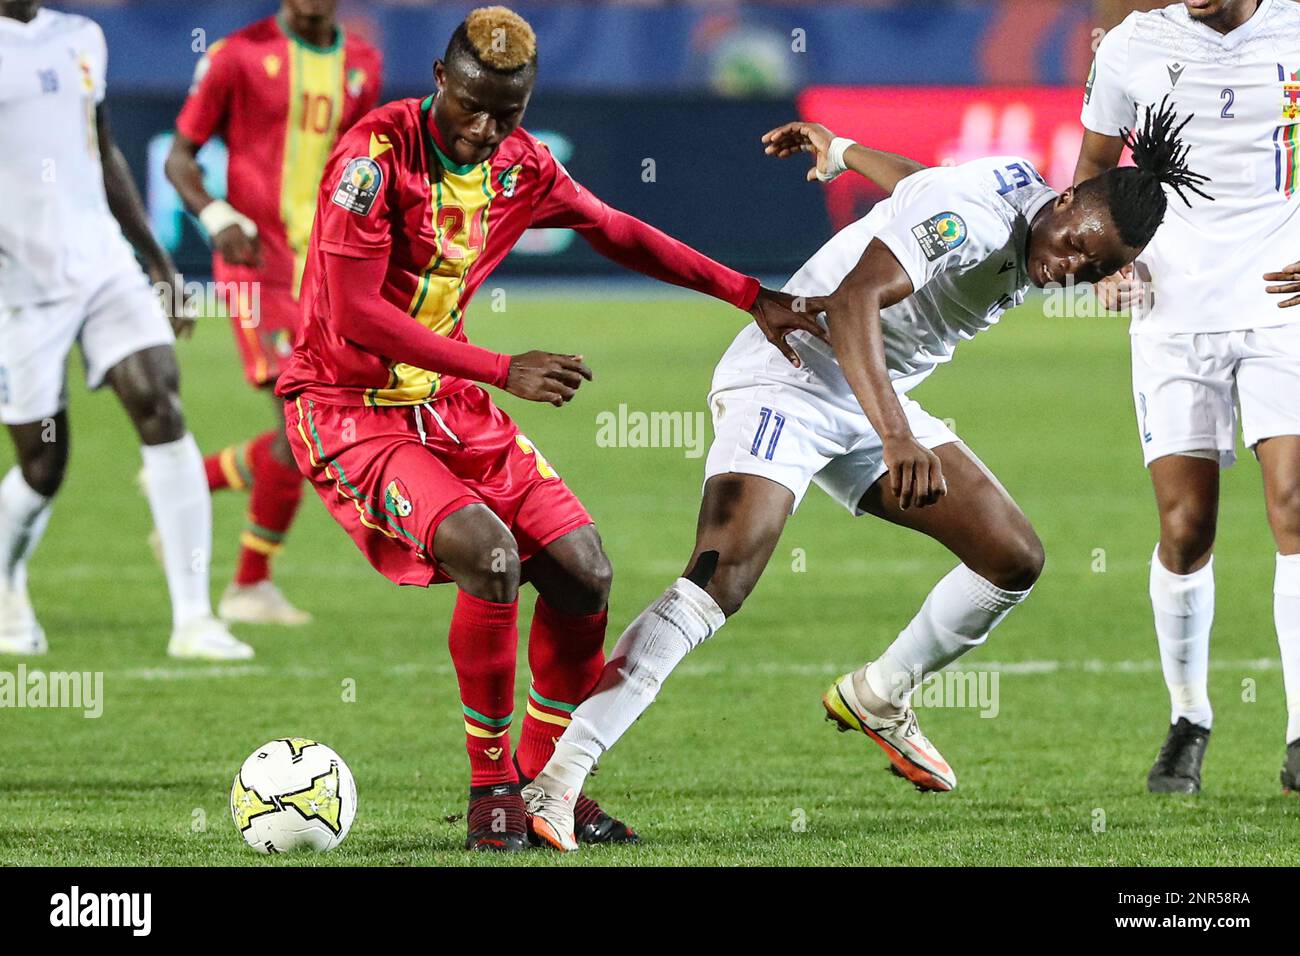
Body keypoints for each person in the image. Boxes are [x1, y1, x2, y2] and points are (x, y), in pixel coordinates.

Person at [522, 99, 1212, 851]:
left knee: (1012, 558)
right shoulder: (980, 215)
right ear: (1071, 198)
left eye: (1098, 268)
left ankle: (880, 695)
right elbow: (857, 298)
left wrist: (843, 147)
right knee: (722, 575)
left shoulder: (1020, 191)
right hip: (793, 369)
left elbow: (918, 188)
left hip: (874, 390)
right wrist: (896, 437)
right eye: (1082, 246)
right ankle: (557, 779)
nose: (1074, 269)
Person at [275, 5, 819, 851]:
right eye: (473, 106)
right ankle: (491, 786)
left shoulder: (520, 167)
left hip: (448, 402)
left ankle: (541, 783)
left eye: (509, 113)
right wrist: (501, 367)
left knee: (584, 572)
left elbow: (617, 231)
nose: (486, 130)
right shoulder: (373, 159)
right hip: (350, 406)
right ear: (439, 81)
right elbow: (352, 312)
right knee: (487, 556)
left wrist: (751, 293)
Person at [1075, 0, 1300, 794]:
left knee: (1295, 508)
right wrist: (1110, 258)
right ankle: (1189, 716)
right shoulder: (1134, 45)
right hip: (1173, 314)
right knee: (1185, 526)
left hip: (1285, 304)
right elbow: (1095, 159)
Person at [0, 0, 250, 660]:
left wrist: (157, 259)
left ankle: (194, 620)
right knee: (43, 463)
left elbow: (100, 144)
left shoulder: (82, 36)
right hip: (19, 285)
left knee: (160, 402)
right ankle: (5, 582)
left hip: (103, 264)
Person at [166, 0, 382, 625]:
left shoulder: (362, 62)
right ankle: (248, 585)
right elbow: (179, 157)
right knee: (301, 418)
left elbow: (367, 170)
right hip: (257, 265)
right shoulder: (235, 54)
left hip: (328, 272)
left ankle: (186, 483)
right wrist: (215, 215)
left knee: (324, 429)